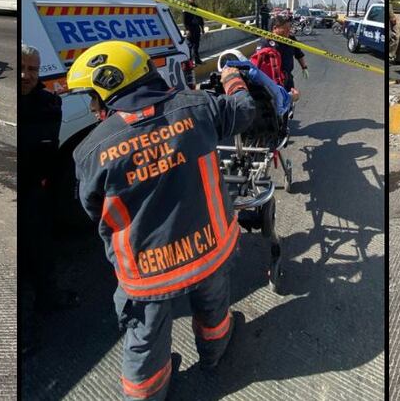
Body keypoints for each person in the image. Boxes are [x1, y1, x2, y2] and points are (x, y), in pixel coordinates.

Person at [68, 40, 260, 400]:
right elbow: (244, 111)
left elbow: (93, 209)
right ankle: (214, 356)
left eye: (93, 97)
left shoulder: (92, 149)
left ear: (112, 84)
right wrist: (233, 77)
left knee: (146, 339)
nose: (94, 108)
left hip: (148, 270)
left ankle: (148, 393)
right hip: (209, 249)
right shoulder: (199, 107)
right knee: (214, 309)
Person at [20, 44, 80, 355]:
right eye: (21, 68)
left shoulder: (49, 104)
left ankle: (49, 297)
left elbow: (52, 150)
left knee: (43, 249)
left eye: (32, 69)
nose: (25, 75)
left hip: (37, 189)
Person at [256, 15, 308, 94]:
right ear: (275, 28)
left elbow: (299, 54)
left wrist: (304, 67)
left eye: (289, 28)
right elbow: (257, 61)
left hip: (287, 79)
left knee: (290, 102)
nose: (288, 30)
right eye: (285, 28)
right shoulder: (265, 41)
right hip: (271, 81)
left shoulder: (291, 39)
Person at [182, 0, 205, 64]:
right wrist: (187, 29)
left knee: (196, 46)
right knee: (189, 46)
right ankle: (190, 62)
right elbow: (184, 20)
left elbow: (200, 18)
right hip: (190, 29)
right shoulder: (185, 7)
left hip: (196, 29)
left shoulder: (196, 7)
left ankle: (197, 60)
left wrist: (202, 28)